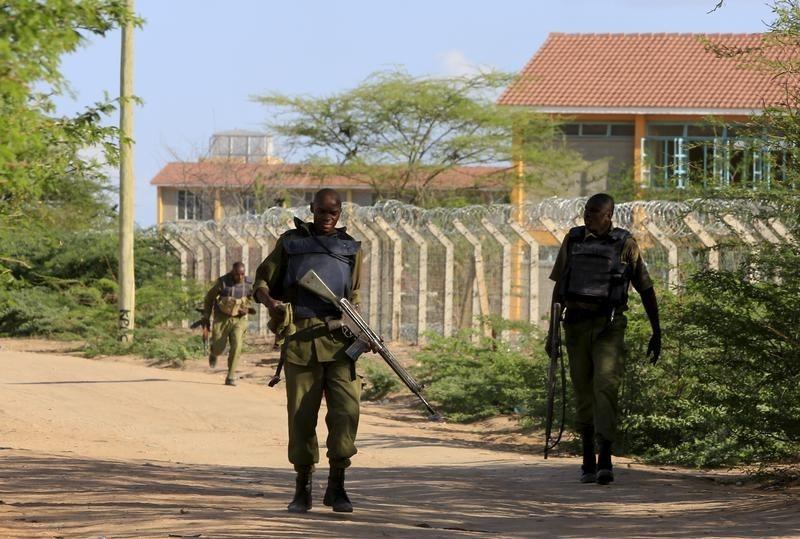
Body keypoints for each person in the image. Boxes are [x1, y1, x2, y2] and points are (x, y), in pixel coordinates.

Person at [253, 188, 365, 514]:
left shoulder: (350, 249)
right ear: (312, 209)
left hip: (340, 343)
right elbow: (262, 281)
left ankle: (338, 485)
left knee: (346, 413)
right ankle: (302, 488)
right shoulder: (291, 244)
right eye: (322, 212)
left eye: (334, 213)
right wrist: (271, 303)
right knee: (302, 418)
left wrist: (362, 331)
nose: (327, 218)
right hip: (301, 342)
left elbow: (353, 298)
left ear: (340, 213)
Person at [547, 193, 661, 485]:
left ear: (609, 215)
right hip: (574, 326)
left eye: (595, 212)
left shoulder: (625, 243)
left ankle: (605, 457)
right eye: (586, 211)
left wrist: (656, 330)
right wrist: (551, 333)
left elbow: (645, 288)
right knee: (583, 390)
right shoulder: (573, 240)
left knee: (605, 388)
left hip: (608, 327)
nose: (588, 216)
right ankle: (587, 459)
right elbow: (559, 288)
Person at [202, 261, 254, 386]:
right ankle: (214, 352)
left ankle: (230, 376)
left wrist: (246, 308)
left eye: (242, 274)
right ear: (232, 272)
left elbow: (251, 298)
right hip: (222, 318)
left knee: (237, 345)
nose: (240, 277)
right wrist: (206, 317)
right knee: (219, 347)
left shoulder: (248, 284)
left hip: (239, 319)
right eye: (237, 274)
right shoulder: (223, 283)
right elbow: (209, 298)